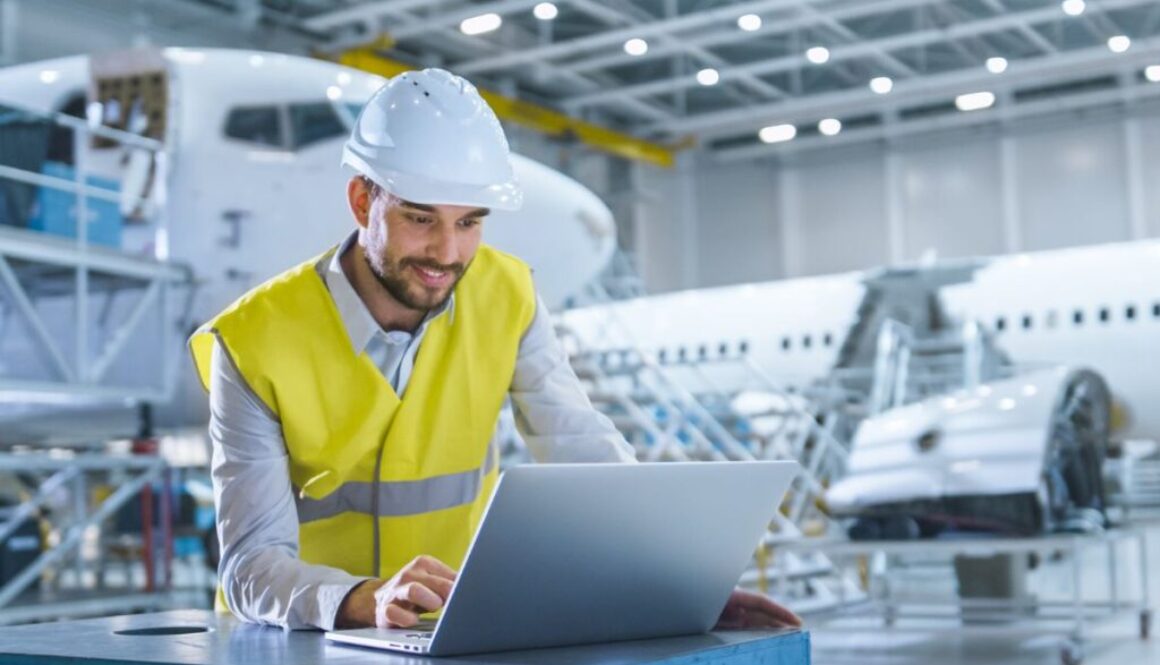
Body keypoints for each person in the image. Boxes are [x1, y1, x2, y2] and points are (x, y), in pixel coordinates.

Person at [189, 68, 801, 633]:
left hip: (449, 635)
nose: (448, 254)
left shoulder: (506, 293)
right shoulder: (253, 342)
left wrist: (672, 583)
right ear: (361, 202)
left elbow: (580, 447)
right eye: (420, 219)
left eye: (469, 223)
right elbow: (250, 566)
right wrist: (362, 599)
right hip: (300, 642)